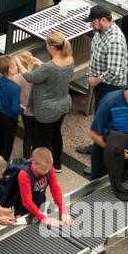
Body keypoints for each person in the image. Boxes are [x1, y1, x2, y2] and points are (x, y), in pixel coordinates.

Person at [16, 33, 75, 168]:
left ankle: (40, 169)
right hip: (63, 104)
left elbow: (30, 77)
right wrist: (41, 64)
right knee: (56, 134)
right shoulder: (70, 59)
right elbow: (57, 73)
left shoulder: (49, 67)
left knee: (40, 143)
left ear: (51, 46)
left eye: (47, 43)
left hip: (47, 110)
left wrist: (19, 63)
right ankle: (58, 164)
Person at [8, 147, 71, 227]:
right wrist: (44, 219)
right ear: (34, 164)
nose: (47, 171)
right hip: (23, 212)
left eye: (49, 168)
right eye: (44, 169)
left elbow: (56, 190)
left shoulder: (48, 169)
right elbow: (27, 202)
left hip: (40, 207)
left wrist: (64, 212)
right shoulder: (24, 174)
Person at [86, 4, 128, 111]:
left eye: (93, 22)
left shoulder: (114, 41)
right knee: (100, 114)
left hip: (111, 88)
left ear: (103, 20)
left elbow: (114, 72)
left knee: (106, 118)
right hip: (102, 84)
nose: (91, 25)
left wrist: (96, 80)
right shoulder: (101, 31)